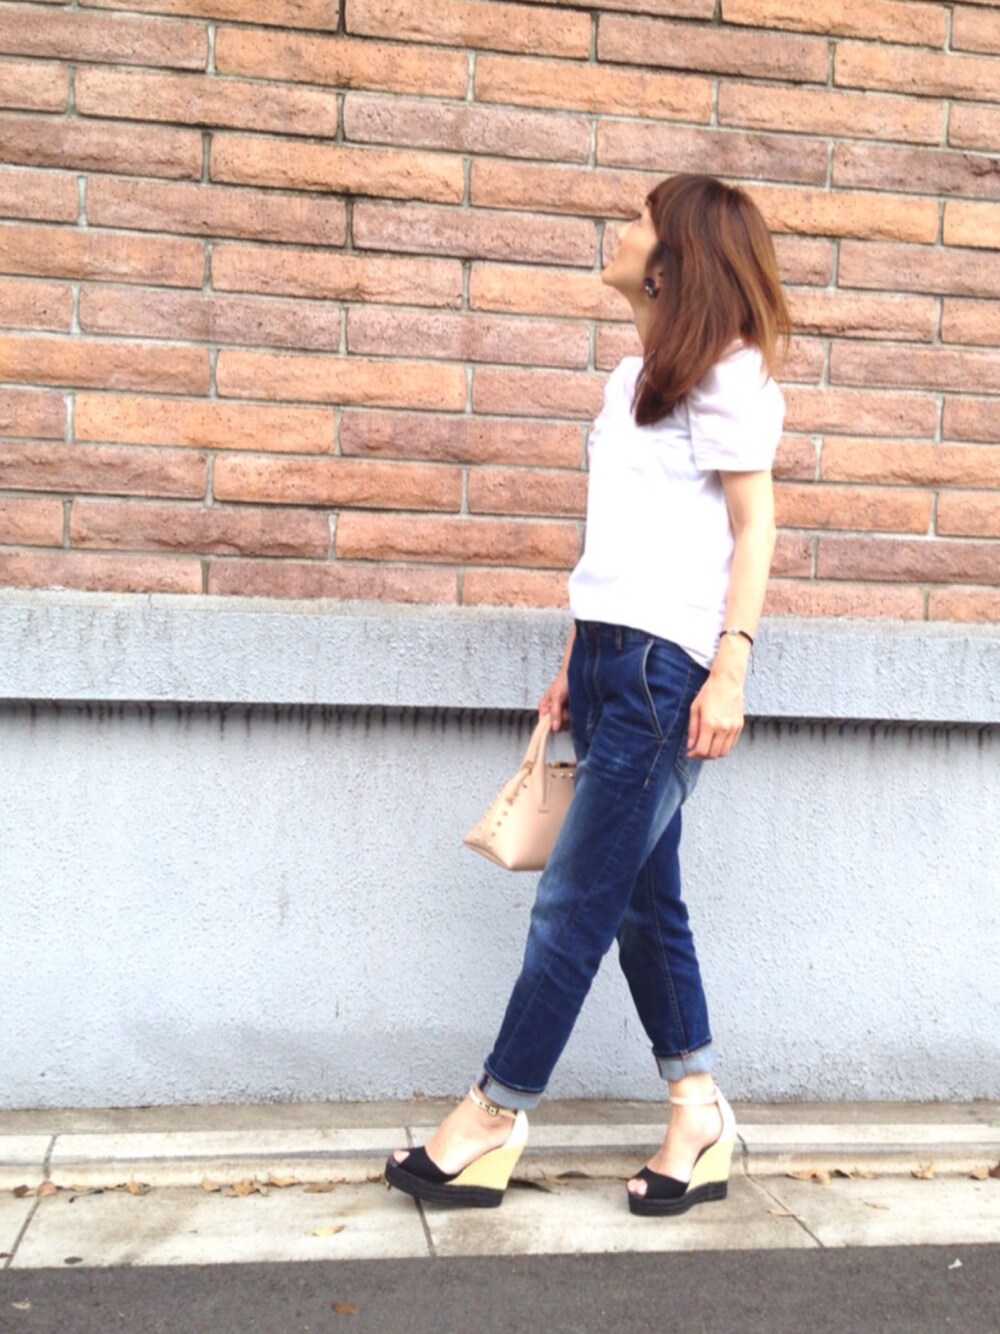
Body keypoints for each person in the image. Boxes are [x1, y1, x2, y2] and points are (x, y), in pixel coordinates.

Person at [385, 173, 792, 1216]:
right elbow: (616, 540)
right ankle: (696, 1111)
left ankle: (493, 1112)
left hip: (668, 672)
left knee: (574, 899)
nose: (616, 231)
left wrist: (732, 669)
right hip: (611, 658)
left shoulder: (731, 376)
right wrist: (576, 654)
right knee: (643, 904)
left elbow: (754, 529)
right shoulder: (628, 381)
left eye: (636, 222)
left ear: (671, 261)